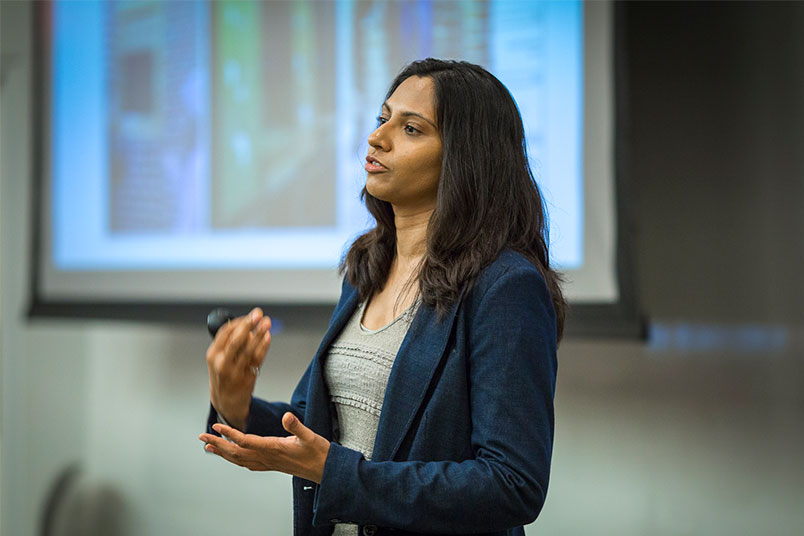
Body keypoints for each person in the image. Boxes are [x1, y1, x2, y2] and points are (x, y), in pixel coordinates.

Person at [199, 58, 566, 536]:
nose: (377, 138)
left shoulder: (506, 287)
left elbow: (512, 483)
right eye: (382, 119)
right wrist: (238, 407)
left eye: (411, 128)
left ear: (466, 156)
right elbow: (321, 432)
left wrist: (339, 474)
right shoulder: (367, 267)